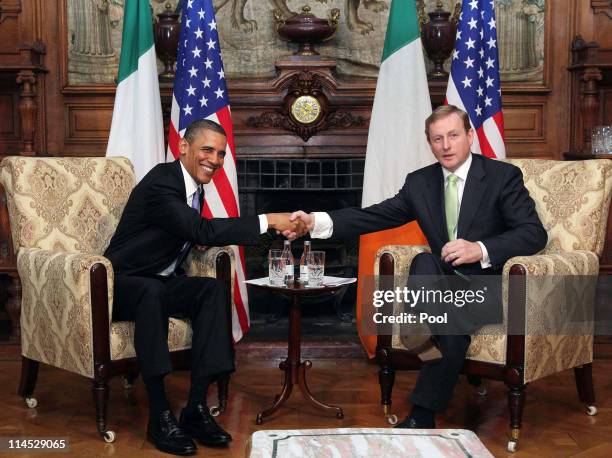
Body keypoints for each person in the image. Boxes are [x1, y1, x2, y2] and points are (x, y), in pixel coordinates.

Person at [288, 105, 547, 429]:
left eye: (453, 135)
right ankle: (422, 407)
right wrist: (315, 221)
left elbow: (533, 233)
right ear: (430, 143)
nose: (446, 145)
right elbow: (373, 216)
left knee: (439, 309)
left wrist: (478, 249)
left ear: (469, 136)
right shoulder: (420, 183)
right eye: (437, 139)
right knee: (426, 262)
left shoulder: (501, 177)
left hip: (485, 286)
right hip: (438, 286)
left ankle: (419, 349)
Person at [104, 119, 306, 456]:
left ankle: (195, 407)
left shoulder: (193, 190)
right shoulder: (162, 182)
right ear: (184, 147)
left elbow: (186, 233)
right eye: (207, 150)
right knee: (151, 292)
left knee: (210, 290)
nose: (215, 159)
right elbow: (201, 231)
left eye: (221, 153)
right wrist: (269, 220)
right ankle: (160, 414)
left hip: (158, 282)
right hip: (118, 285)